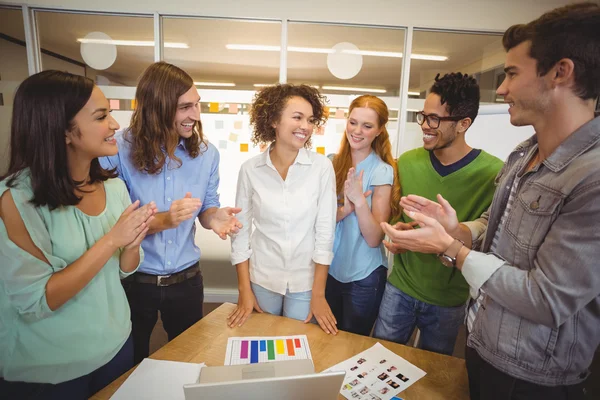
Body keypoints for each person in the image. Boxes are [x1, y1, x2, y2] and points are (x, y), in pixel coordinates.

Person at [382, 3, 600, 399]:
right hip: (484, 345)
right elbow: (492, 224)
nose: (500, 89)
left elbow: (547, 299)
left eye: (512, 74)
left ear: (560, 73)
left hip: (532, 376)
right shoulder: (523, 156)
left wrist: (451, 249)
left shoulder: (592, 178)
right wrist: (459, 229)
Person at [0, 70, 155, 398]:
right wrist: (112, 239)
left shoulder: (114, 189)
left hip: (115, 349)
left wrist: (132, 242)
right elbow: (39, 300)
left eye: (110, 114)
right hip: (49, 370)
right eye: (101, 116)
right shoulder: (15, 200)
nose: (114, 125)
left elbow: (124, 270)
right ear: (62, 130)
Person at [100, 62, 241, 364]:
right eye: (185, 107)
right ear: (158, 107)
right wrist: (166, 219)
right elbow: (112, 225)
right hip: (132, 283)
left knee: (187, 362)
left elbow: (206, 207)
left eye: (197, 104)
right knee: (126, 363)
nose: (196, 115)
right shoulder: (119, 149)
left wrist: (214, 217)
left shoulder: (207, 154)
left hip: (186, 283)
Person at [372, 73, 503, 355]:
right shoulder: (407, 162)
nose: (425, 127)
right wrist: (399, 233)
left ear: (463, 124)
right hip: (400, 289)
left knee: (435, 377)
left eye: (435, 119)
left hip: (449, 299)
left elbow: (490, 239)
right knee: (379, 361)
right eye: (423, 116)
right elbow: (397, 215)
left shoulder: (494, 175)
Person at [227, 84, 338, 334]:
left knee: (296, 347)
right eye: (297, 117)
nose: (306, 127)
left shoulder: (321, 168)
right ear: (274, 120)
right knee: (259, 344)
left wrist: (319, 294)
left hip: (304, 281)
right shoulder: (250, 169)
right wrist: (244, 290)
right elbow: (240, 233)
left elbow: (325, 233)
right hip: (262, 277)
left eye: (310, 120)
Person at [325, 95, 400, 336]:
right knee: (325, 340)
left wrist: (358, 201)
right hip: (329, 270)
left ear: (379, 131)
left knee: (353, 345)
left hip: (364, 277)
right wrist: (344, 210)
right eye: (353, 122)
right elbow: (320, 220)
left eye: (367, 126)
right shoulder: (331, 163)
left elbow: (374, 238)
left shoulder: (382, 171)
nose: (357, 131)